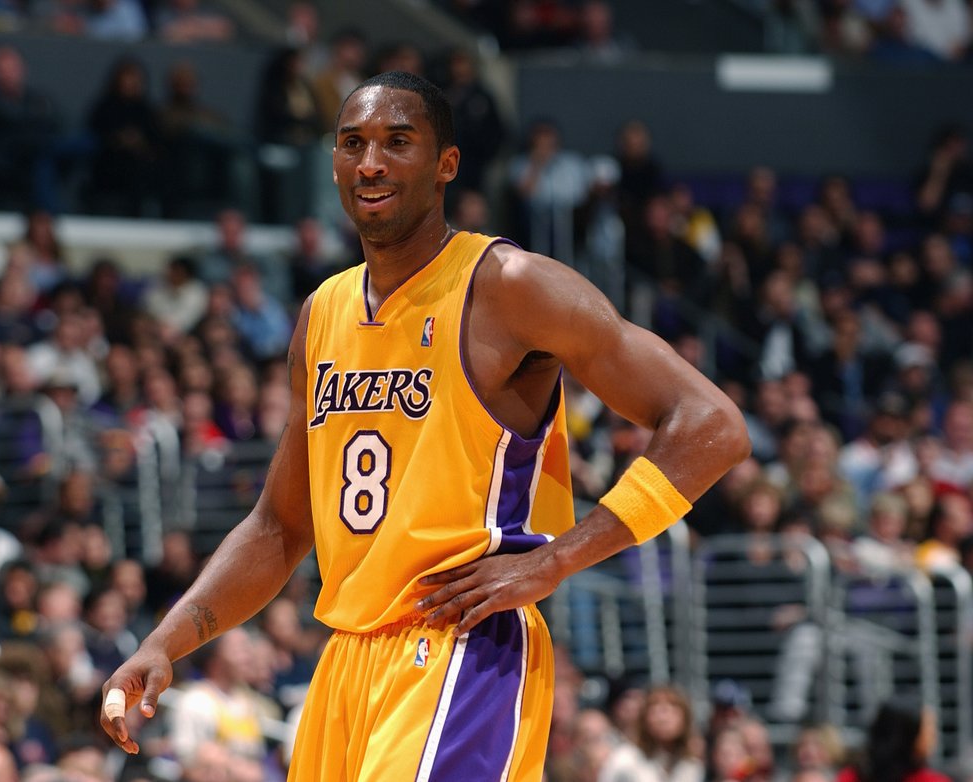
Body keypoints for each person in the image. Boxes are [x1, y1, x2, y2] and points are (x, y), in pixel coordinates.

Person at [100, 71, 749, 780]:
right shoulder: (322, 312)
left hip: (461, 644)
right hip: (346, 660)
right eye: (353, 144)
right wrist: (164, 642)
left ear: (447, 164)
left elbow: (711, 425)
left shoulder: (509, 285)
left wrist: (556, 559)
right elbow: (280, 527)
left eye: (397, 142)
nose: (370, 163)